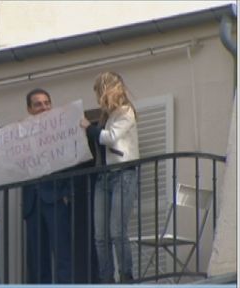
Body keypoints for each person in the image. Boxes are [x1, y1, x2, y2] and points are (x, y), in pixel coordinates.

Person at [80, 71, 139, 283]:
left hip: (122, 174)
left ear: (106, 90)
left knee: (117, 231)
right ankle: (106, 278)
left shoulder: (126, 112)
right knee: (100, 236)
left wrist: (89, 129)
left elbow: (110, 138)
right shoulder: (107, 116)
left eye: (98, 91)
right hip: (103, 178)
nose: (97, 96)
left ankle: (125, 275)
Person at [22, 88, 72, 283]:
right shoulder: (21, 134)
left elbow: (73, 157)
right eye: (38, 104)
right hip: (32, 201)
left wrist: (67, 191)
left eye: (46, 103)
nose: (44, 107)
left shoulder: (61, 130)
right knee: (37, 259)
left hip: (56, 196)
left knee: (62, 253)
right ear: (29, 109)